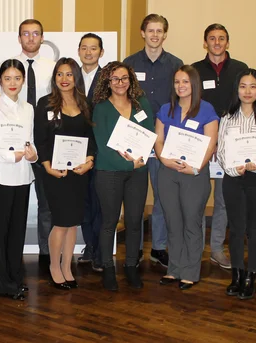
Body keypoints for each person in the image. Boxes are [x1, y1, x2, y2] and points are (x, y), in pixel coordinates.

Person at [123, 14, 184, 269]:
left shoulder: (176, 64)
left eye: (160, 31)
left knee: (162, 197)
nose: (155, 35)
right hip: (136, 138)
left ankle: (158, 248)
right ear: (142, 32)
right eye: (151, 30)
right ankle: (134, 250)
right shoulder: (129, 63)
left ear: (165, 34)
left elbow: (182, 98)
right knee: (135, 198)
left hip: (164, 140)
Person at [217, 69, 256, 300]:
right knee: (235, 230)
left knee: (255, 230)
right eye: (243, 86)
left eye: (253, 86)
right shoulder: (227, 117)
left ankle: (250, 275)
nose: (247, 91)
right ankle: (236, 274)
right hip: (233, 179)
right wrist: (235, 169)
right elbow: (222, 150)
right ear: (237, 89)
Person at [34, 57, 96, 290]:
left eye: (69, 74)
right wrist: (47, 166)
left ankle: (67, 266)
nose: (64, 79)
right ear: (54, 78)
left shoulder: (85, 104)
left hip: (79, 173)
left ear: (76, 77)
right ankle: (54, 267)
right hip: (55, 173)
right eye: (60, 74)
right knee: (60, 222)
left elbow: (91, 139)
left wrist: (90, 160)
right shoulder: (45, 104)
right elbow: (40, 139)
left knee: (73, 224)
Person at [155, 65, 219, 290]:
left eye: (185, 81)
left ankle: (190, 272)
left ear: (194, 84)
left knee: (192, 223)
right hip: (168, 173)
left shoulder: (206, 109)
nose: (180, 86)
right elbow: (159, 140)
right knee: (173, 223)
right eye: (177, 82)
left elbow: (211, 144)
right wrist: (164, 160)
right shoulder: (166, 109)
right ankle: (174, 269)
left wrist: (196, 167)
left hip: (194, 175)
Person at [91, 61, 152, 291]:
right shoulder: (101, 108)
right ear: (107, 81)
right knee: (109, 222)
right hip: (109, 172)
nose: (120, 83)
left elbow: (149, 134)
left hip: (138, 171)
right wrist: (129, 165)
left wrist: (139, 161)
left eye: (124, 78)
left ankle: (131, 266)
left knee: (135, 222)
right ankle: (107, 268)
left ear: (131, 80)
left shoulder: (141, 105)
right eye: (115, 78)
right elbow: (103, 145)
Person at [191, 23, 248, 270]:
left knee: (224, 199)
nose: (216, 42)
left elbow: (247, 102)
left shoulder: (240, 69)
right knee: (198, 197)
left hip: (231, 143)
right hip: (200, 141)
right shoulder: (194, 70)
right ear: (205, 42)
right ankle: (194, 250)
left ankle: (216, 248)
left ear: (227, 42)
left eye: (221, 38)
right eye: (212, 38)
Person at [0, 59, 38, 300]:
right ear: (0, 81)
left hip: (22, 176)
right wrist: (9, 156)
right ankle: (2, 283)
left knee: (16, 233)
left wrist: (33, 154)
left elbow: (30, 140)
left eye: (17, 78)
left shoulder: (28, 109)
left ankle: (15, 278)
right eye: (7, 78)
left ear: (23, 80)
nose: (12, 83)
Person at [13, 19, 56, 266]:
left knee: (46, 205)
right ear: (19, 38)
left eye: (35, 34)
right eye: (26, 34)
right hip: (14, 143)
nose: (30, 38)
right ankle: (12, 255)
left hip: (43, 144)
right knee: (15, 203)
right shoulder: (9, 66)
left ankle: (46, 255)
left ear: (42, 37)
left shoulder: (52, 68)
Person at [76, 33, 104, 271]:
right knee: (83, 201)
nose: (88, 52)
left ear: (101, 52)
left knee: (98, 200)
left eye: (93, 48)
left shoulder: (108, 79)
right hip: (75, 148)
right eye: (84, 48)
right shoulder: (71, 77)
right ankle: (88, 244)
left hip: (101, 148)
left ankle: (98, 247)